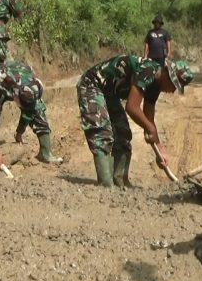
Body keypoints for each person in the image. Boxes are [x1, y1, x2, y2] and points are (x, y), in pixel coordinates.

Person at [77, 55, 193, 187]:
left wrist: (160, 150)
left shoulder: (156, 85)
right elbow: (132, 107)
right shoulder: (148, 71)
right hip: (92, 85)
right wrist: (150, 128)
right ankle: (106, 185)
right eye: (173, 84)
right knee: (101, 132)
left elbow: (148, 120)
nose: (172, 90)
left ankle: (120, 181)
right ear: (166, 73)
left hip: (110, 93)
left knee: (123, 133)